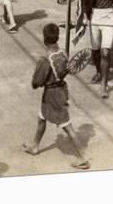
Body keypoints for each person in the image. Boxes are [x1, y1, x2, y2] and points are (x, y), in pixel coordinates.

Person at [23, 23, 90, 169]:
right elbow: (65, 71)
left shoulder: (45, 59)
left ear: (44, 39)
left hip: (52, 95)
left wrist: (38, 82)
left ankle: (83, 158)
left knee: (67, 126)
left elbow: (36, 82)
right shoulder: (63, 53)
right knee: (41, 118)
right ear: (57, 37)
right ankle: (34, 146)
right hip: (59, 90)